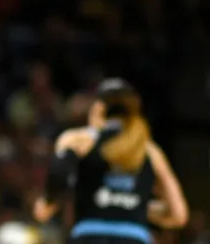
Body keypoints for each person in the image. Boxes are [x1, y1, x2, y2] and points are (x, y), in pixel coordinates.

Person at [32, 78, 188, 243]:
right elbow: (179, 215)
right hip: (133, 238)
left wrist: (46, 205)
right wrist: (137, 206)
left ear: (98, 108)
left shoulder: (80, 140)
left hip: (90, 235)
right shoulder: (150, 150)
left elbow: (58, 173)